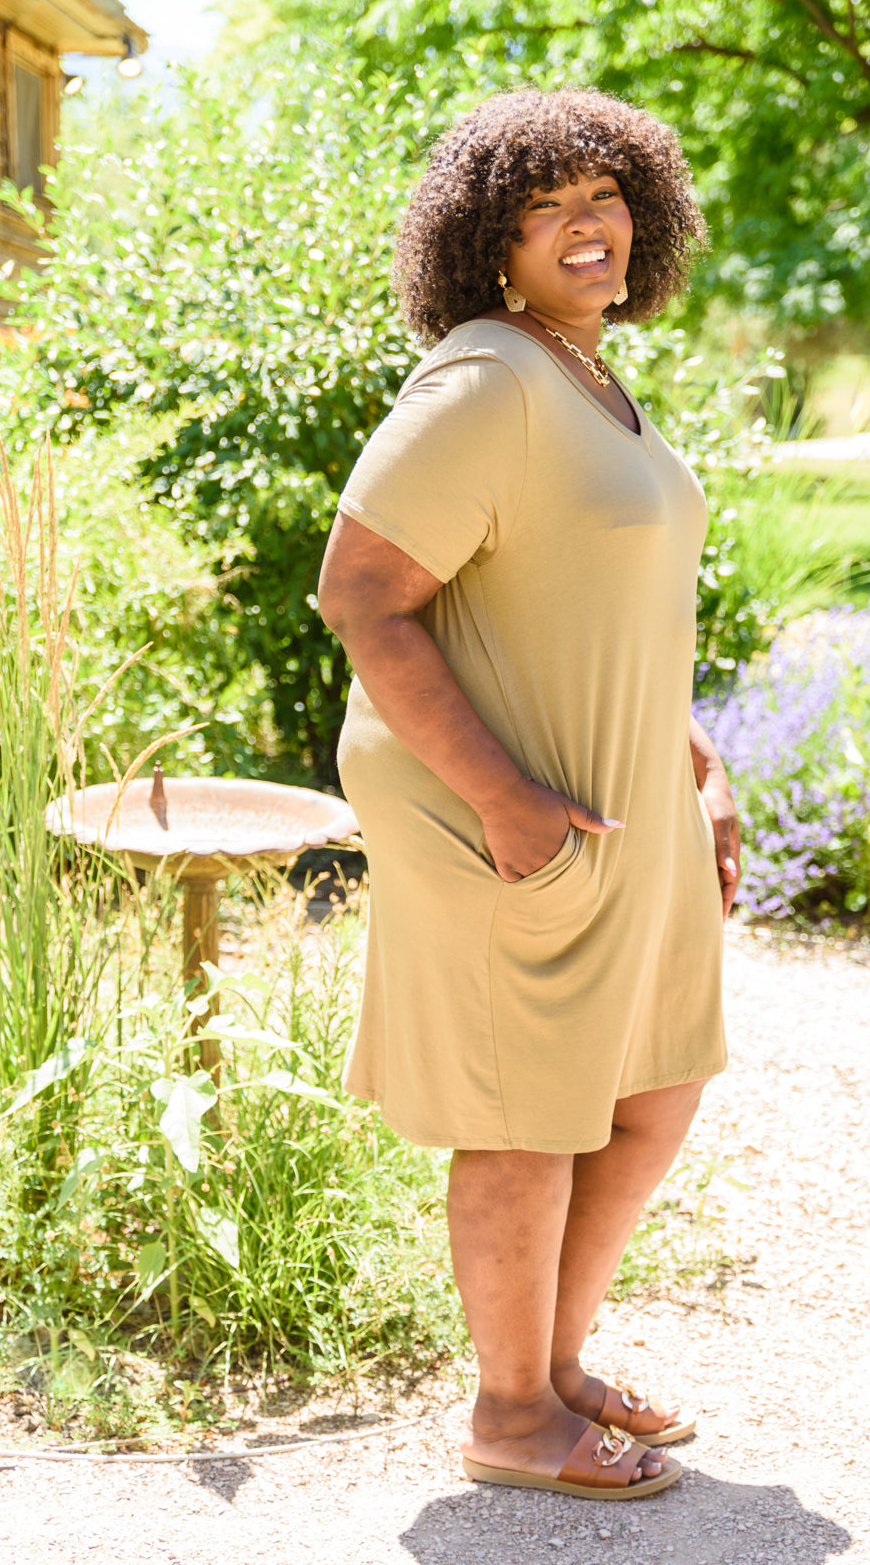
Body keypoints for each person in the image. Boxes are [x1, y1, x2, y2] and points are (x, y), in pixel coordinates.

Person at [318, 86, 741, 1502]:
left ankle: (552, 1368)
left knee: (655, 1085)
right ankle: (509, 1416)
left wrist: (694, 761)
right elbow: (360, 595)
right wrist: (506, 801)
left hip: (625, 793)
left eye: (605, 195)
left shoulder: (587, 377)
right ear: (488, 244)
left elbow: (598, 602)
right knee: (528, 1110)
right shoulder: (486, 381)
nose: (586, 225)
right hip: (499, 806)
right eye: (544, 206)